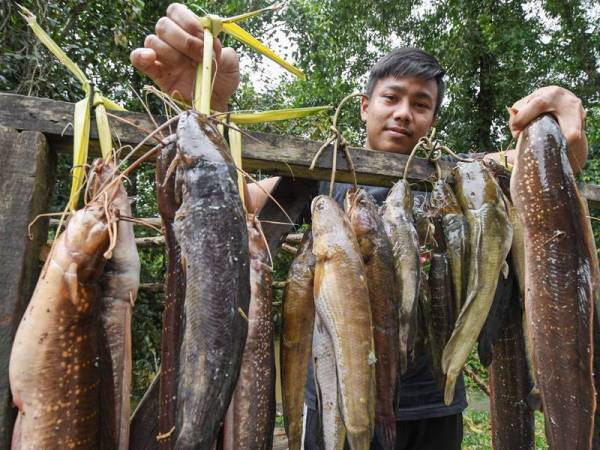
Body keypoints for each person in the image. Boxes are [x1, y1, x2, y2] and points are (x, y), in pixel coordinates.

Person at [130, 4, 589, 449]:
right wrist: (205, 103)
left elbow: (547, 164)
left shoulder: (459, 176)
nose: (404, 112)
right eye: (392, 97)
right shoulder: (317, 169)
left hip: (435, 408)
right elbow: (229, 202)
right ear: (366, 105)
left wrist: (564, 115)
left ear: (432, 119)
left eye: (421, 104)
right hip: (334, 403)